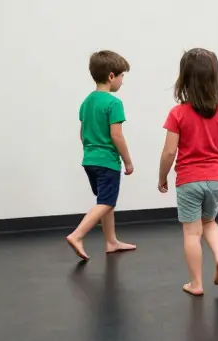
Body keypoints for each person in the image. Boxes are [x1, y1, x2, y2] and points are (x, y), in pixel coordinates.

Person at [158, 48, 218, 297]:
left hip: (189, 180)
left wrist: (162, 178)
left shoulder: (178, 113)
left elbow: (169, 152)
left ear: (185, 79)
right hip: (216, 179)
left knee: (192, 232)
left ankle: (196, 283)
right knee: (210, 222)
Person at [68, 51, 137, 261]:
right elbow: (116, 135)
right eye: (122, 76)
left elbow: (82, 134)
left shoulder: (87, 102)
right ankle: (77, 235)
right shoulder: (113, 103)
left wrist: (92, 150)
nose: (122, 81)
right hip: (107, 161)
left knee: (105, 201)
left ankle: (111, 241)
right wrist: (128, 161)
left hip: (89, 160)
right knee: (107, 202)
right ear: (111, 76)